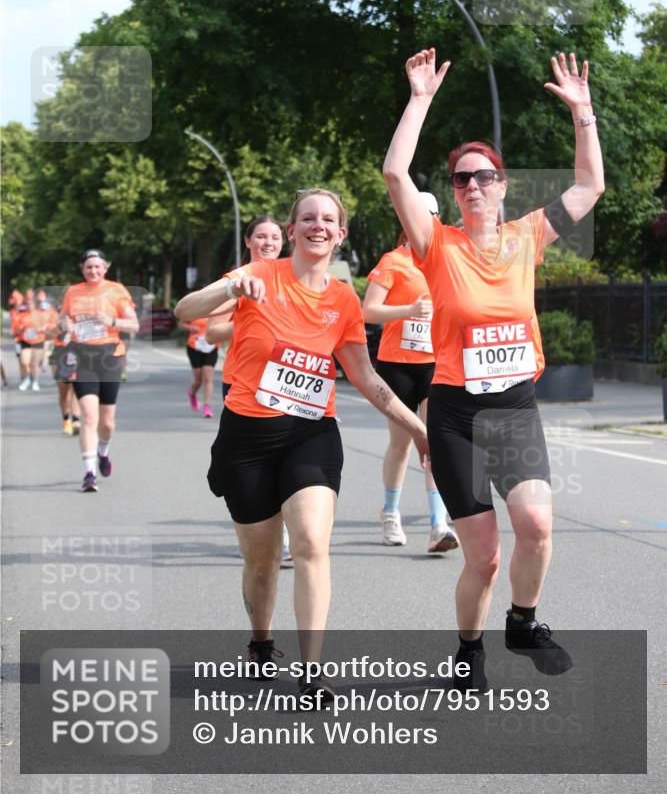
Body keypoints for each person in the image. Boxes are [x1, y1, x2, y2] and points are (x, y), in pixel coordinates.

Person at [383, 48, 604, 687]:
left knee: (535, 524)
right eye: (462, 179)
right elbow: (396, 174)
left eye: (484, 176)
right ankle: (470, 647)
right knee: (481, 556)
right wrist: (420, 98)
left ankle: (523, 619)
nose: (474, 186)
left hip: (512, 407)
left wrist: (583, 111)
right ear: (452, 193)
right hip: (455, 414)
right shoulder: (435, 244)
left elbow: (589, 187)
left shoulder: (527, 237)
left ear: (504, 185)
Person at [175, 190, 430, 696]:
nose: (318, 226)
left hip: (310, 435)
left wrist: (424, 434)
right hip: (247, 437)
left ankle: (312, 672)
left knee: (312, 542)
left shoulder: (343, 299)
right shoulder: (259, 275)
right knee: (262, 562)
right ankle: (261, 641)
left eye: (328, 219)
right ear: (291, 231)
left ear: (341, 233)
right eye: (307, 218)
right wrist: (232, 290)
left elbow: (367, 378)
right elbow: (186, 310)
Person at [364, 194, 458, 554]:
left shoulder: (447, 258)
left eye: (429, 215)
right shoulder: (394, 261)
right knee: (403, 445)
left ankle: (438, 524)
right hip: (398, 364)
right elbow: (368, 310)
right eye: (414, 214)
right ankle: (390, 513)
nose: (421, 221)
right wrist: (409, 309)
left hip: (438, 363)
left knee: (436, 442)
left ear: (437, 217)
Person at [205, 215, 290, 558]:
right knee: (258, 464)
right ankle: (258, 523)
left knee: (288, 459)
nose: (269, 243)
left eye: (274, 237)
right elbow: (212, 332)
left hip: (285, 381)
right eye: (261, 237)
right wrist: (247, 319)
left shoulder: (292, 278)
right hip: (241, 381)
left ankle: (281, 534)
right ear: (249, 242)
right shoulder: (237, 280)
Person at [60, 250, 139, 492]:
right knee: (88, 416)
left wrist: (111, 321)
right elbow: (62, 320)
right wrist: (65, 324)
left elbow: (133, 324)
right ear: (82, 269)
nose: (93, 271)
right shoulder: (72, 292)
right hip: (82, 357)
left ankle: (103, 451)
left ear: (105, 268)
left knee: (106, 421)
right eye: (88, 267)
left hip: (109, 358)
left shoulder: (116, 290)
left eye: (97, 267)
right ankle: (89, 473)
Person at [46, 304, 81, 436]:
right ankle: (66, 419)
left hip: (75, 352)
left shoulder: (80, 316)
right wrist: (60, 327)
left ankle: (76, 420)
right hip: (59, 352)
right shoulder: (54, 316)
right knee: (63, 391)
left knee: (75, 386)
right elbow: (48, 334)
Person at [181, 317, 220, 419]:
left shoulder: (218, 308)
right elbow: (181, 324)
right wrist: (191, 327)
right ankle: (192, 393)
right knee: (198, 379)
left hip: (211, 346)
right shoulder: (195, 306)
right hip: (194, 346)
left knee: (207, 378)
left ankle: (207, 407)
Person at [14, 289, 48, 391]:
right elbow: (15, 330)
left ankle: (35, 381)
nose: (30, 305)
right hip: (25, 341)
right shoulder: (21, 315)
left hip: (38, 340)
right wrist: (20, 328)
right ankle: (28, 378)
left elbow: (48, 325)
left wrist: (42, 328)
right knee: (25, 361)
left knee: (34, 363)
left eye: (32, 303)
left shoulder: (41, 314)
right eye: (28, 303)